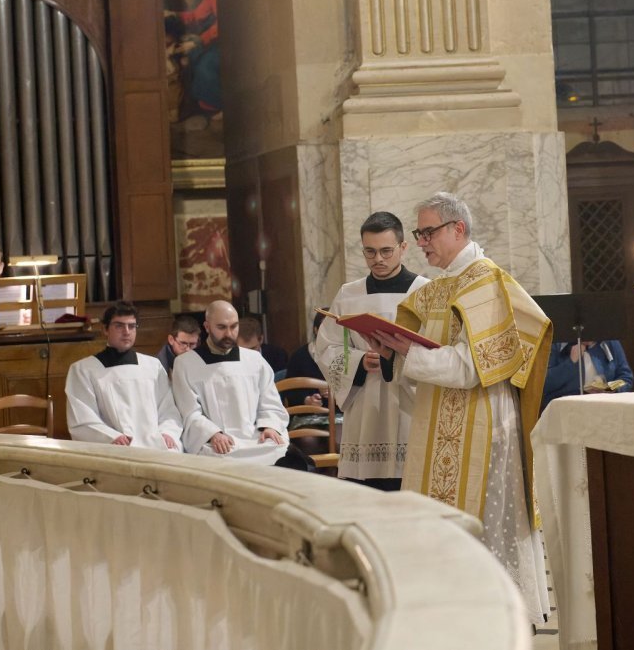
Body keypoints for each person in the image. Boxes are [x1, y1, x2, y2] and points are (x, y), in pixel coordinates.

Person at [372, 193, 551, 626]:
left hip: (483, 424)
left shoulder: (485, 281)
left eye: (427, 232)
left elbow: (474, 368)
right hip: (436, 423)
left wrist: (408, 354)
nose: (422, 242)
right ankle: (452, 612)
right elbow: (423, 358)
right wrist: (393, 352)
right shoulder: (434, 290)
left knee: (486, 524)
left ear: (459, 229)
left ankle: (495, 614)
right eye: (418, 234)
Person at [314, 211, 429, 490]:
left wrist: (396, 357)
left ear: (403, 248)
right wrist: (358, 361)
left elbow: (434, 349)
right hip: (365, 406)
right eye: (370, 252)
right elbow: (327, 347)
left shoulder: (424, 292)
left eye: (386, 251)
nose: (378, 259)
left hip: (407, 403)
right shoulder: (348, 294)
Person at [172, 299, 290, 462]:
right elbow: (189, 412)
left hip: (257, 438)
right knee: (220, 458)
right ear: (207, 327)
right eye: (221, 327)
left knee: (280, 450)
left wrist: (270, 426)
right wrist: (213, 434)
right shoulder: (185, 363)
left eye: (234, 326)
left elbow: (270, 403)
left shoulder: (255, 359)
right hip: (219, 443)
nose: (229, 334)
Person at [65, 301, 183, 450]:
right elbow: (82, 419)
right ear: (105, 329)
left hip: (156, 445)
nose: (126, 331)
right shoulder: (83, 370)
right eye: (119, 326)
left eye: (132, 326)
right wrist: (112, 437)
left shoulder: (153, 366)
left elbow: (168, 410)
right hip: (114, 448)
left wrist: (167, 433)